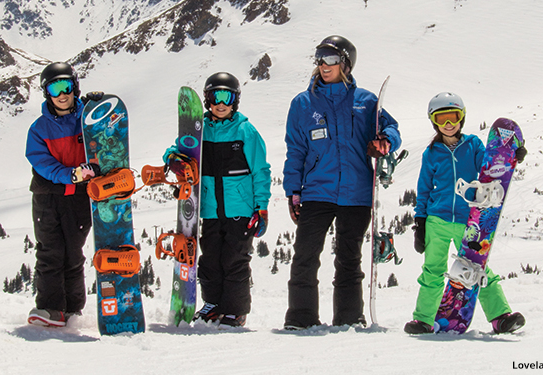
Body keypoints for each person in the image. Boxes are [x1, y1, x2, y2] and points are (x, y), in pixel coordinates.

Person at [282, 35, 402, 330]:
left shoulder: (364, 101)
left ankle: (349, 317)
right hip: (317, 192)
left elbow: (391, 128)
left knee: (349, 258)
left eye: (332, 59)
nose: (325, 65)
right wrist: (293, 191)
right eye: (320, 58)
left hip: (356, 191)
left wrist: (385, 142)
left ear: (346, 63)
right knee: (305, 256)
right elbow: (295, 149)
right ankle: (301, 317)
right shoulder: (303, 103)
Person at [404, 92, 526, 334]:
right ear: (434, 122)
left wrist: (513, 156)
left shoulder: (473, 145)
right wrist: (420, 223)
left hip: (468, 220)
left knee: (477, 268)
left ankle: (500, 316)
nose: (448, 124)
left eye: (453, 117)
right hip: (437, 220)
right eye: (442, 119)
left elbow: (491, 168)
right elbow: (424, 188)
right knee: (433, 271)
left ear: (462, 118)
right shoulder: (431, 153)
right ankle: (424, 319)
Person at [163, 72, 271, 327]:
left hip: (240, 210)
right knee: (210, 259)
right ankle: (212, 303)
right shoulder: (199, 129)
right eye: (215, 96)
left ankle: (234, 310)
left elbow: (261, 171)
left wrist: (261, 208)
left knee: (235, 259)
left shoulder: (245, 130)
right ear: (207, 99)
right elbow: (177, 148)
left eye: (227, 96)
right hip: (209, 210)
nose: (221, 103)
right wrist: (172, 159)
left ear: (236, 100)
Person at [25, 62, 103, 327]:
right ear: (47, 93)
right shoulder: (39, 129)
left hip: (78, 198)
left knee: (73, 252)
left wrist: (100, 110)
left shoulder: (87, 119)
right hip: (49, 197)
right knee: (50, 251)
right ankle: (49, 307)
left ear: (75, 87)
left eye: (66, 87)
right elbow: (41, 162)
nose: (62, 94)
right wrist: (70, 175)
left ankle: (71, 309)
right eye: (54, 88)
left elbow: (106, 140)